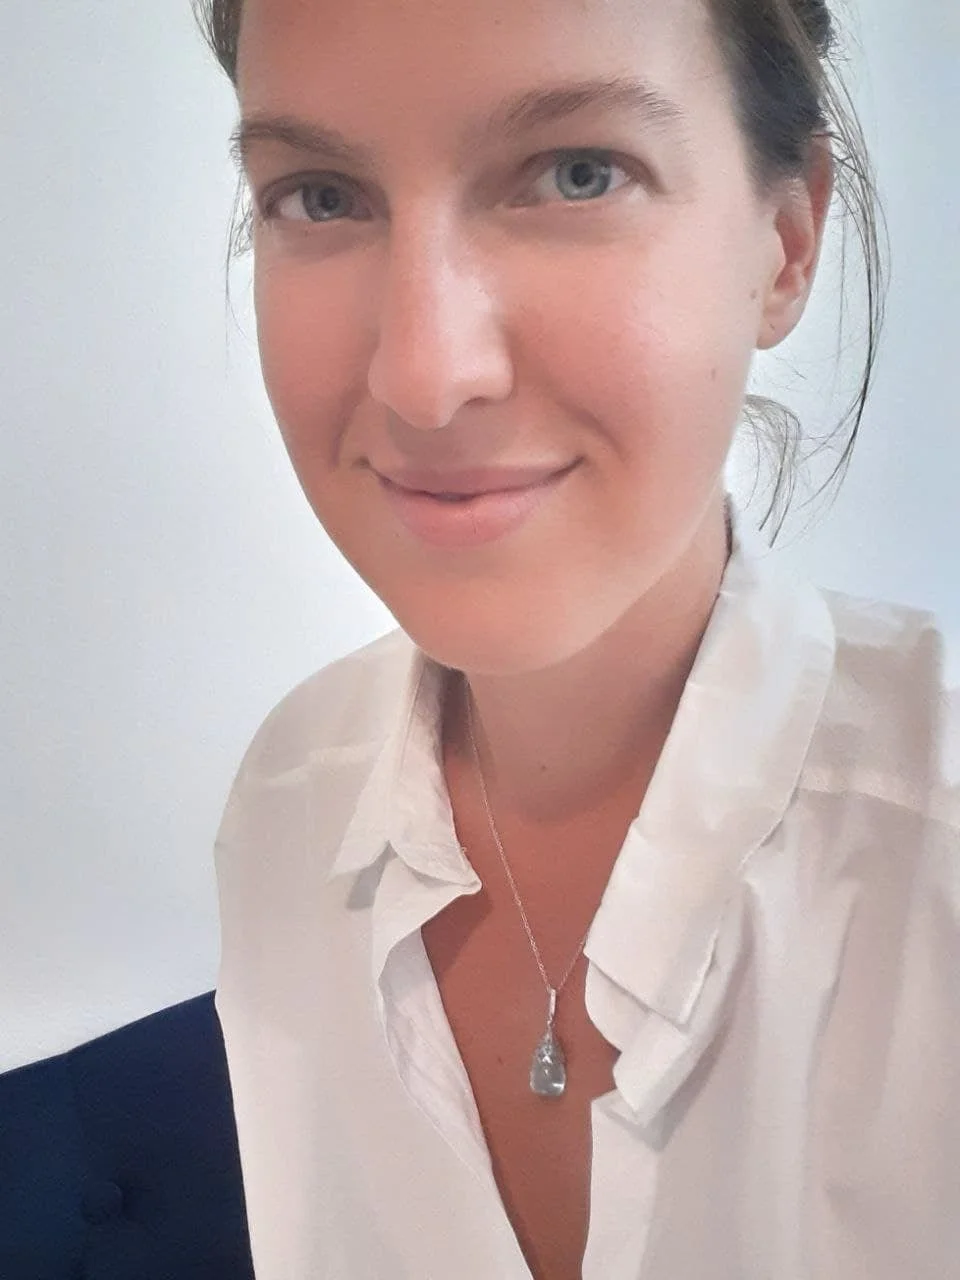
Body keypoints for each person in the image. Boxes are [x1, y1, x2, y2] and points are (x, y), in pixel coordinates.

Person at [193, 0, 960, 1276]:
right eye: (320, 197)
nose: (424, 374)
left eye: (577, 173)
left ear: (785, 242)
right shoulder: (289, 799)